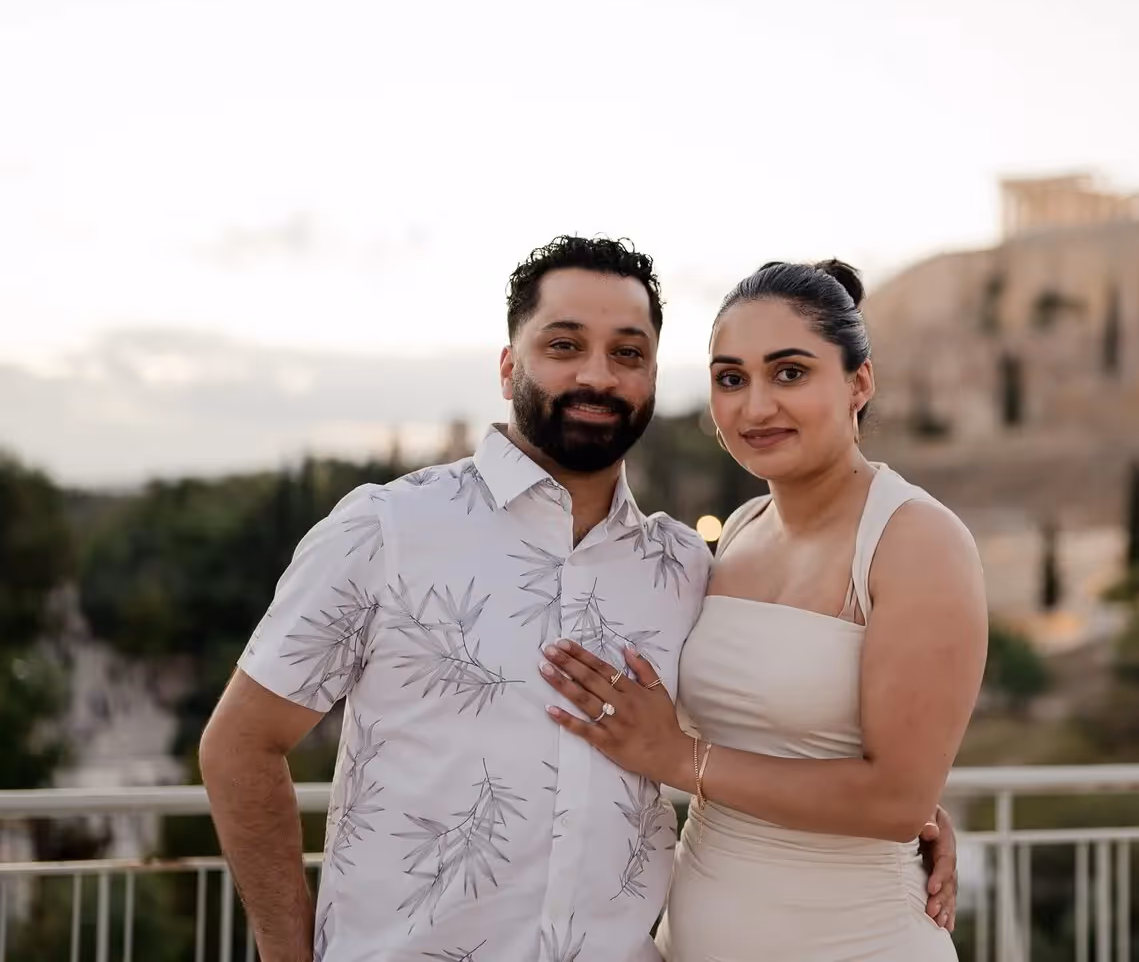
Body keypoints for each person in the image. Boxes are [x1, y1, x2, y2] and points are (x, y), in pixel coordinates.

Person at [198, 237, 958, 962]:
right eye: (564, 345)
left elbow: (765, 707)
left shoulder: (684, 564)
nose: (597, 375)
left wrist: (908, 813)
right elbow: (239, 745)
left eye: (628, 353)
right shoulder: (387, 529)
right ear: (509, 367)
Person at [539, 259, 989, 961]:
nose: (754, 408)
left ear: (859, 383)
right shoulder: (742, 530)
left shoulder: (915, 540)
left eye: (790, 373)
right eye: (731, 379)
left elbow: (896, 801)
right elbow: (770, 736)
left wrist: (679, 757)